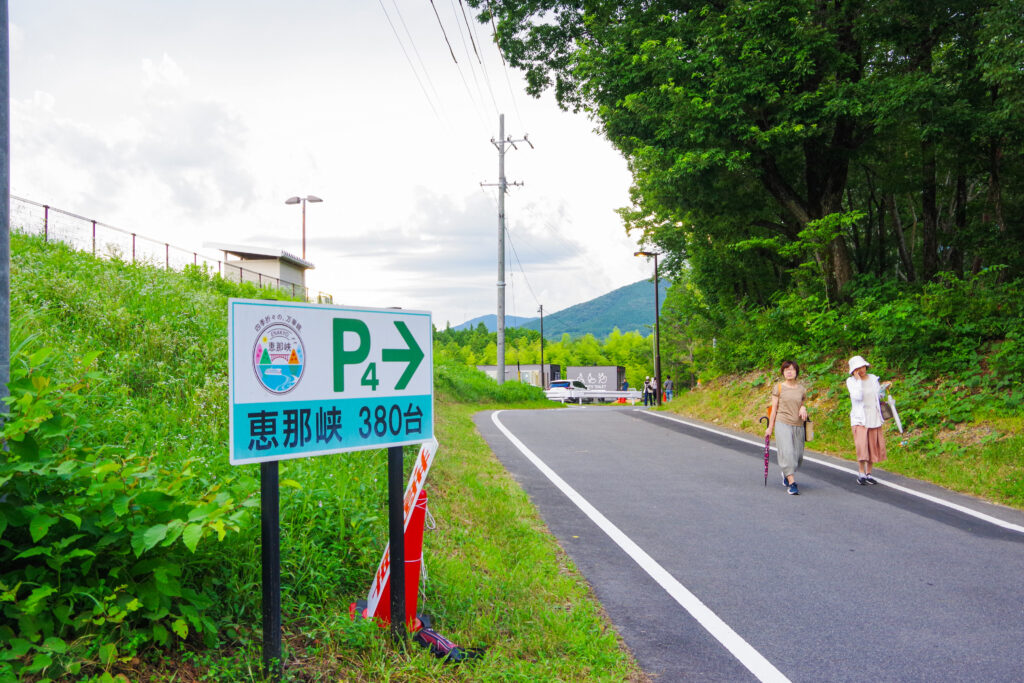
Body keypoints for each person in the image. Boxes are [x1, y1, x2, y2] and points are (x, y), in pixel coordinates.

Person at [764, 360, 808, 495]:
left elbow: (801, 403)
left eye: (792, 369)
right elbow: (774, 409)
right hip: (782, 422)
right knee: (787, 452)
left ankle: (786, 473)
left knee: (798, 456)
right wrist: (770, 428)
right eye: (786, 370)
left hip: (798, 425)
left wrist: (803, 408)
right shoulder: (779, 388)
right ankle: (792, 483)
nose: (789, 372)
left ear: (796, 372)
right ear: (783, 372)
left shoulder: (801, 389)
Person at [846, 355, 890, 484]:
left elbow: (878, 396)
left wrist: (883, 389)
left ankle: (869, 473)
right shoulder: (851, 382)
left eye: (863, 367)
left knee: (872, 446)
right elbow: (857, 396)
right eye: (858, 368)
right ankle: (861, 473)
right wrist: (859, 380)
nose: (862, 370)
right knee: (862, 446)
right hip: (860, 418)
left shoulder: (873, 378)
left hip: (873, 416)